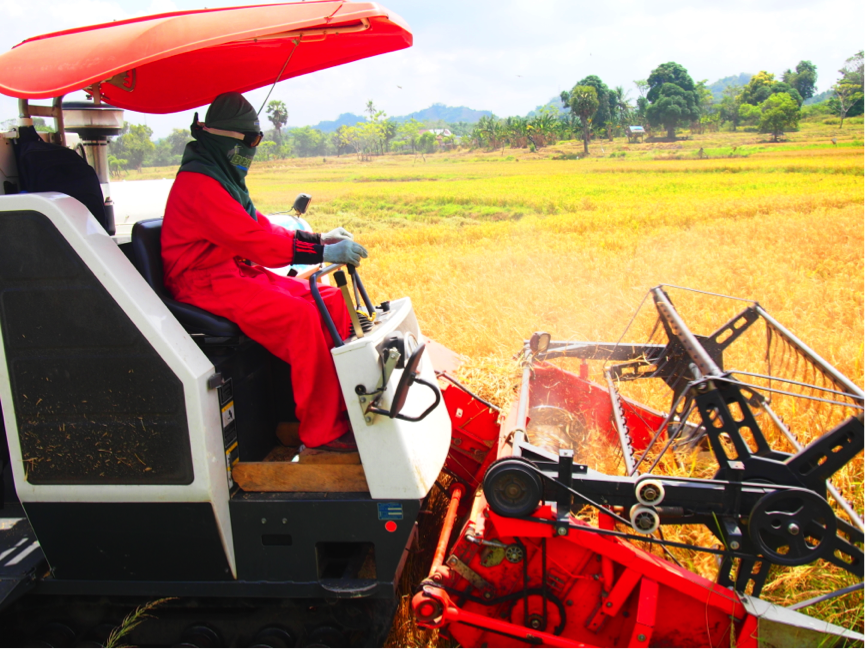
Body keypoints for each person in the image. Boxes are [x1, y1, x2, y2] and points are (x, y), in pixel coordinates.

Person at [161, 92, 367, 452]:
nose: (253, 148)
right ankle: (321, 433)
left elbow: (259, 227)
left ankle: (343, 410)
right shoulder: (199, 184)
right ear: (229, 139)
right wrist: (321, 251)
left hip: (233, 271)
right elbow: (254, 242)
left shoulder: (222, 177)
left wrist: (319, 238)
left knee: (331, 300)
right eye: (252, 140)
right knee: (301, 317)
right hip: (202, 282)